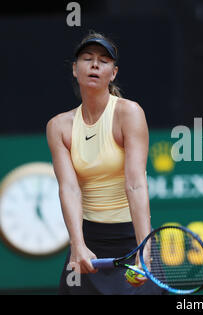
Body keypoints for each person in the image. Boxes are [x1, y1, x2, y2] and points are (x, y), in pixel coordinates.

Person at [46, 31, 165, 294]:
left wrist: (143, 246)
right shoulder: (59, 127)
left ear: (113, 73)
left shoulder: (128, 113)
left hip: (130, 237)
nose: (95, 64)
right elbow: (69, 188)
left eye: (103, 60)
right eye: (87, 59)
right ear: (75, 70)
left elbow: (135, 183)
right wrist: (77, 244)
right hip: (89, 240)